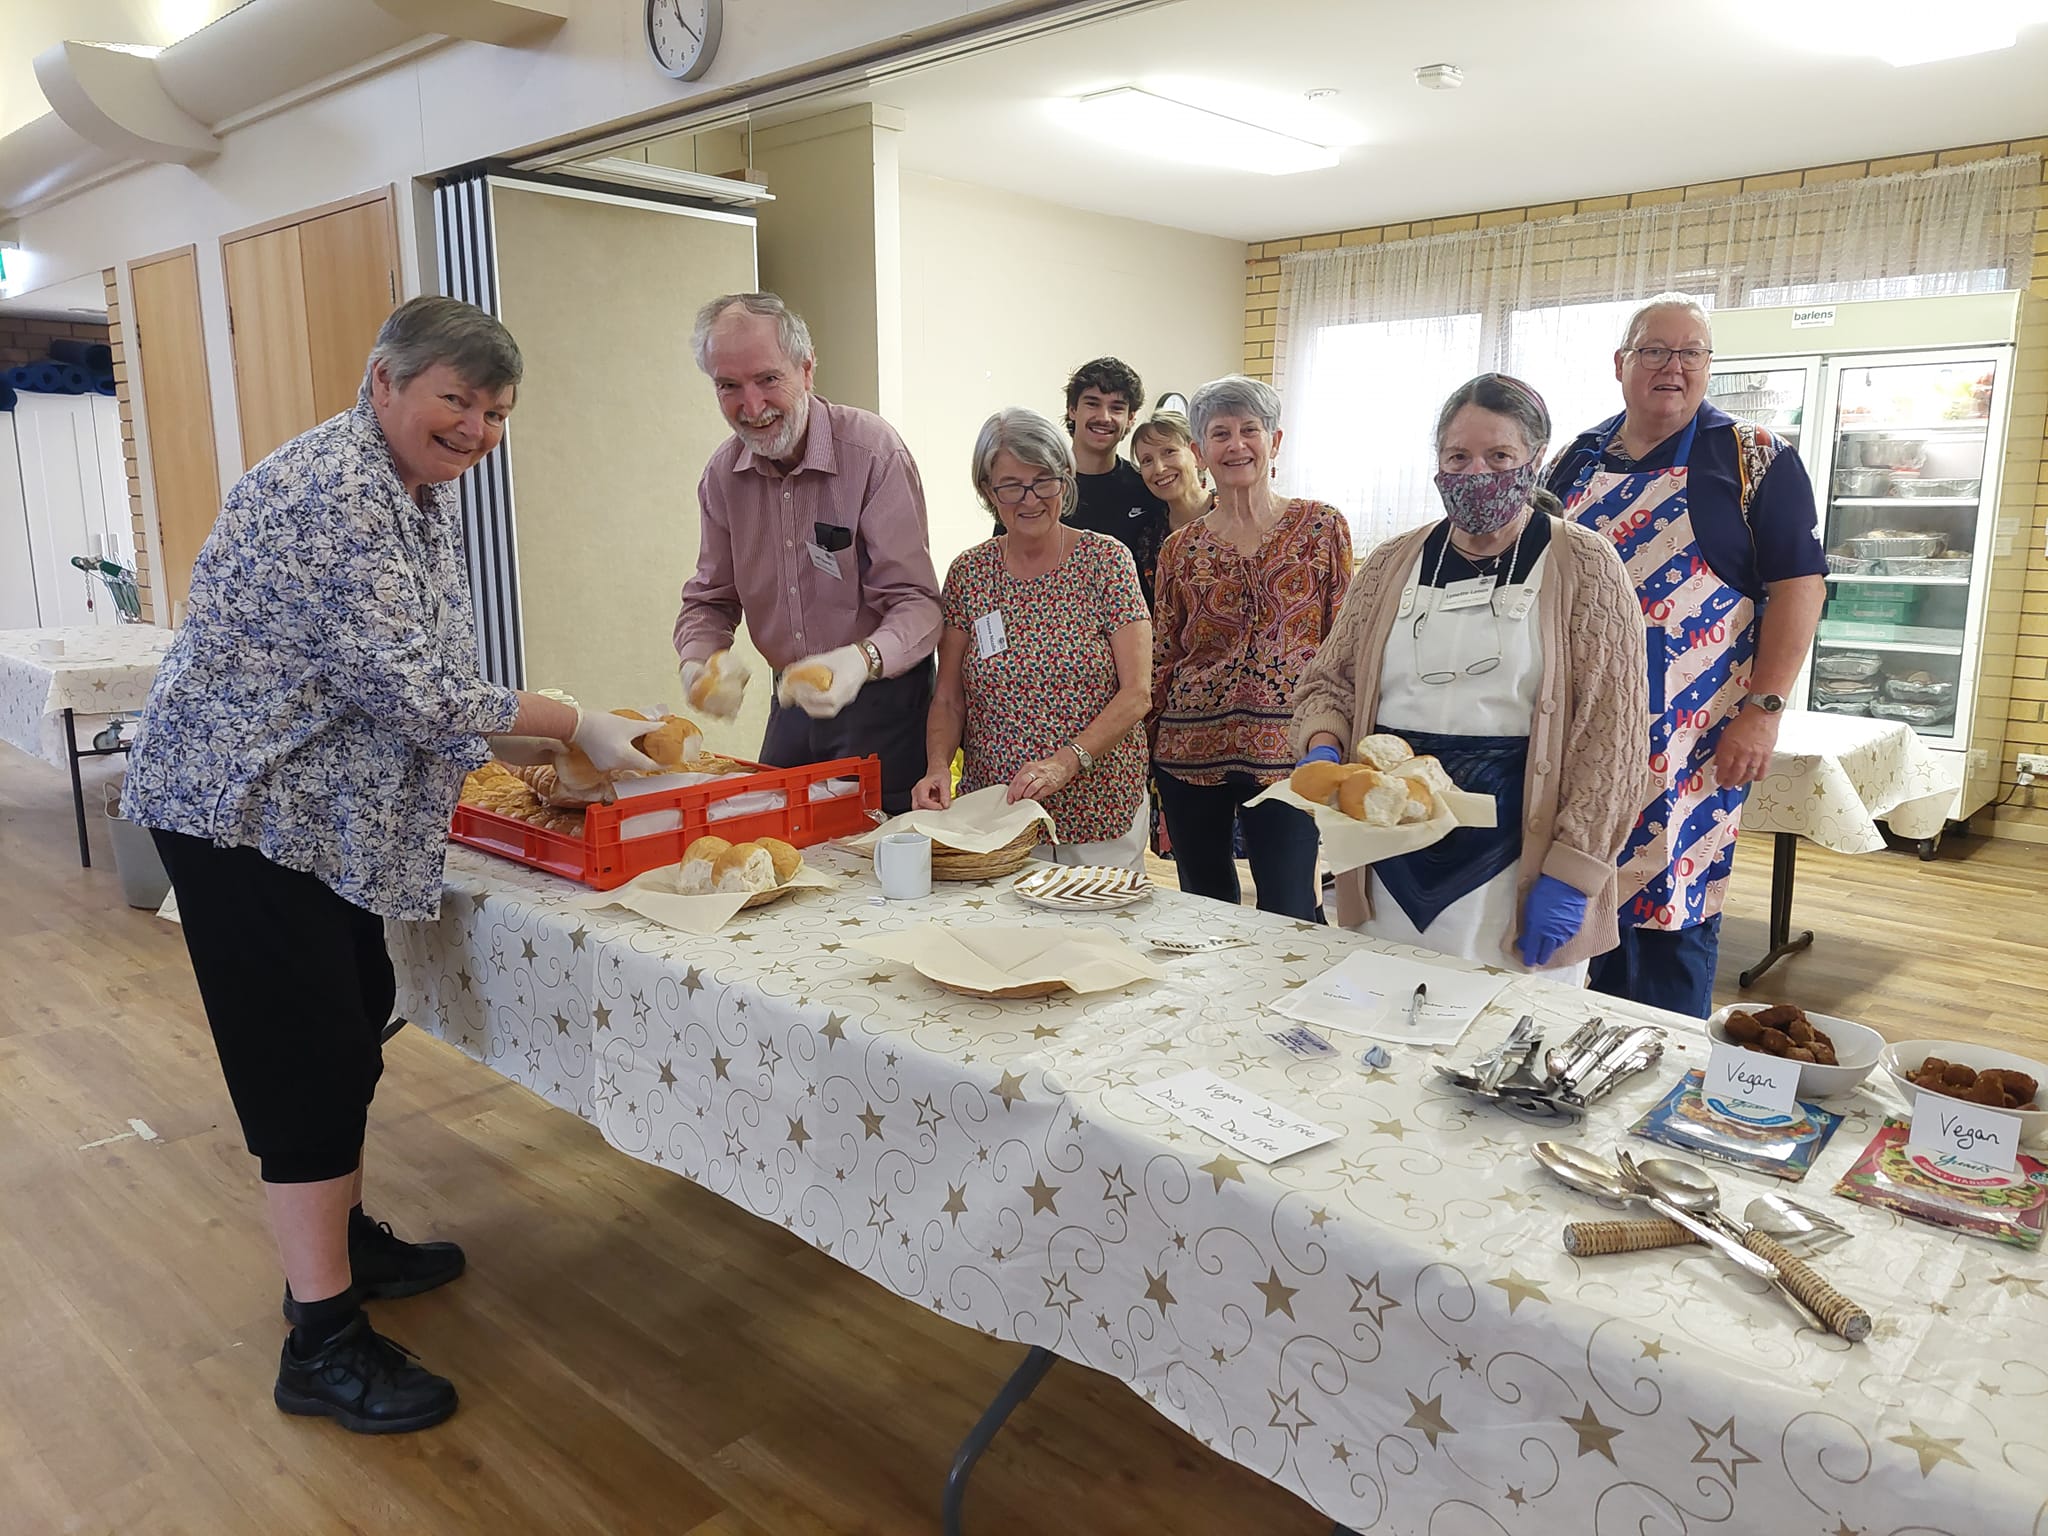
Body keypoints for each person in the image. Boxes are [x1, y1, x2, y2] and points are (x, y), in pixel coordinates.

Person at [122, 297, 661, 1434]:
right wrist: (569, 717)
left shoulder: (410, 490)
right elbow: (411, 695)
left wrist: (566, 732)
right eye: (455, 400)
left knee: (357, 1007)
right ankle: (318, 1341)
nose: (475, 427)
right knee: (302, 1057)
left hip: (311, 808)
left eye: (496, 411)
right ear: (384, 382)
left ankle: (341, 1239)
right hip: (245, 809)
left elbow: (419, 677)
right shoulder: (336, 494)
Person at [1291, 375, 1649, 975]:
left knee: (1499, 1046)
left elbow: (1612, 737)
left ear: (1534, 460)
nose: (1475, 472)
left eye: (1499, 456)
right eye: (1458, 456)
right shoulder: (1391, 563)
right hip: (1385, 850)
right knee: (1375, 1018)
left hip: (1514, 865)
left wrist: (1575, 869)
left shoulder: (1585, 565)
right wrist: (1321, 747)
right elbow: (1330, 682)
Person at [1545, 293, 1825, 1015]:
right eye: (1654, 351)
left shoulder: (1756, 459)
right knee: (1571, 891)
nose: (1673, 366)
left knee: (1671, 909)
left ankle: (1659, 1068)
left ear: (1707, 367)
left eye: (1690, 353)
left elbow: (1800, 588)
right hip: (1577, 730)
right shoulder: (1577, 457)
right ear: (1621, 364)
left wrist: (1763, 712)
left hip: (1693, 738)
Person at [674, 292, 942, 813]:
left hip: (884, 701)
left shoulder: (872, 452)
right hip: (791, 698)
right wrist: (697, 661)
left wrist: (860, 660)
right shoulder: (722, 477)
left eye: (768, 379)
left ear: (807, 369)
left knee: (873, 866)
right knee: (773, 837)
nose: (752, 408)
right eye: (729, 386)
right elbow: (710, 600)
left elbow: (920, 604)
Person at [912, 408, 1152, 871]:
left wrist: (1066, 761)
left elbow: (1137, 693)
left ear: (1066, 479)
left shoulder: (1106, 562)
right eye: (1010, 485)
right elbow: (948, 698)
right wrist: (938, 766)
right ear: (987, 490)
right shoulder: (970, 573)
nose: (1030, 499)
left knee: (1098, 940)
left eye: (1045, 480)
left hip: (1098, 812)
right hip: (998, 816)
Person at [1150, 375, 1351, 920]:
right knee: (1205, 908)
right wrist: (1147, 752)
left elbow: (1343, 643)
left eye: (1250, 430)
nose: (1236, 445)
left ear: (1275, 442)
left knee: (1290, 905)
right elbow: (1164, 653)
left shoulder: (1322, 527)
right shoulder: (1180, 549)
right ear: (1199, 452)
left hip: (1288, 752)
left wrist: (1339, 740)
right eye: (1220, 433)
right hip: (1189, 751)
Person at [1057, 356, 1171, 606]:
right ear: (1072, 410)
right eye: (1092, 403)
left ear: (1131, 418)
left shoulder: (1147, 489)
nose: (1104, 417)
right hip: (1054, 637)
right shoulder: (1040, 488)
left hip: (1133, 638)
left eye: (1117, 407)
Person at [1131, 411, 1214, 535]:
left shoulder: (1236, 512)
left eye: (1169, 452)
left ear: (1197, 453)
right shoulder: (1148, 534)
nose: (1159, 469)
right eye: (1147, 460)